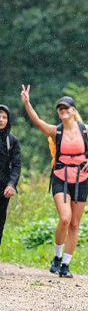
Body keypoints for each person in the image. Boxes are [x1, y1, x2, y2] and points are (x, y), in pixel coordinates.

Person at [21, 86, 88, 278]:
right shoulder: (56, 132)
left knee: (74, 223)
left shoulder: (86, 130)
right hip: (61, 178)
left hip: (81, 179)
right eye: (60, 109)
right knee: (65, 218)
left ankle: (66, 264)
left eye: (66, 108)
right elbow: (38, 121)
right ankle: (56, 257)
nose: (63, 111)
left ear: (74, 111)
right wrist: (27, 103)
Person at [0, 105, 21, 246]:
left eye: (4, 117)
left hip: (3, 188)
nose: (1, 120)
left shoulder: (12, 141)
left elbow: (16, 165)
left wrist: (11, 184)